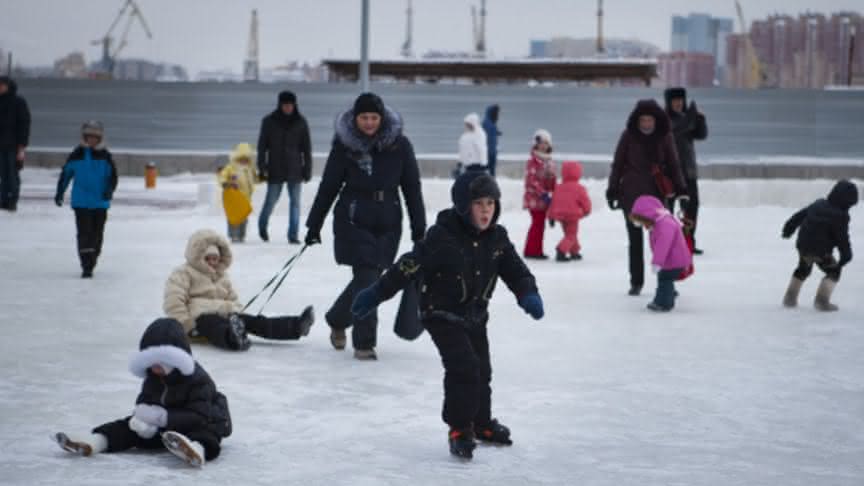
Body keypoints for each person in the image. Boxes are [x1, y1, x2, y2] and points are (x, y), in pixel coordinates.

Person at [350, 166, 543, 459]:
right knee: (463, 367)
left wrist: (527, 292)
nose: (485, 210)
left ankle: (480, 423)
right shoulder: (442, 236)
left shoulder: (497, 238)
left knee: (482, 369)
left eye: (490, 203)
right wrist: (376, 293)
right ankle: (459, 428)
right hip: (440, 313)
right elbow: (407, 266)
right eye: (478, 203)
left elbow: (515, 270)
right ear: (463, 206)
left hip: (475, 314)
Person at [304, 92, 426, 360]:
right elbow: (328, 187)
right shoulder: (345, 147)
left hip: (388, 222)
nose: (369, 123)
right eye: (364, 117)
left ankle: (337, 318)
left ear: (381, 119)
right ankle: (364, 344)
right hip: (353, 219)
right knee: (368, 277)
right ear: (355, 118)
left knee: (369, 279)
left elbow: (412, 188)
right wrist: (314, 224)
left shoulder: (400, 145)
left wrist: (420, 228)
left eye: (374, 117)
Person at [53, 318, 232, 468]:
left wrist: (162, 418)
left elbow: (198, 416)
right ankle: (97, 441)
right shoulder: (153, 377)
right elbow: (145, 402)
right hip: (169, 429)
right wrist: (143, 423)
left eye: (160, 362)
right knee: (128, 426)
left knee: (205, 432)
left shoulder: (198, 380)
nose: (154, 368)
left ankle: (195, 450)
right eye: (150, 363)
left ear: (175, 360)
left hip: (208, 419)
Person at [163, 229, 315, 351]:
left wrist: (237, 312)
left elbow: (232, 297)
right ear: (197, 256)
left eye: (215, 258)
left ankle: (296, 326)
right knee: (214, 325)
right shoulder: (184, 273)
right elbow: (174, 300)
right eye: (207, 258)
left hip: (226, 313)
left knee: (256, 322)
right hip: (199, 318)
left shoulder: (222, 276)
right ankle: (233, 337)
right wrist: (186, 325)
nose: (211, 262)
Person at [606, 99, 687, 296]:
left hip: (657, 197)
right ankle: (636, 281)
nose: (646, 124)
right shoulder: (628, 136)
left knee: (664, 240)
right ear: (637, 120)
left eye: (649, 120)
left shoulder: (664, 136)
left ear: (656, 120)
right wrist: (612, 190)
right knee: (635, 241)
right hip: (632, 197)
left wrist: (681, 188)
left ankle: (666, 282)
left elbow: (674, 164)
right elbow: (617, 164)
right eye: (643, 120)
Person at [781, 180, 858, 311]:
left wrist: (788, 229)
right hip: (821, 251)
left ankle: (790, 298)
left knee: (803, 269)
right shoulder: (841, 216)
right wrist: (846, 254)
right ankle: (822, 301)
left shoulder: (818, 203)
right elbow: (842, 238)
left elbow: (798, 216)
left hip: (803, 245)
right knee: (834, 271)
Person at [54, 121, 118, 278]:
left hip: (100, 203)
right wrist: (60, 192)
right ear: (84, 137)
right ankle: (86, 265)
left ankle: (93, 258)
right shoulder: (77, 154)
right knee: (84, 233)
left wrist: (108, 191)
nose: (92, 140)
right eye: (89, 137)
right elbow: (66, 174)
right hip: (81, 202)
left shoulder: (105, 156)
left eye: (95, 137)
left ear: (100, 138)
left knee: (97, 235)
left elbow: (113, 177)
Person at [257, 90, 313, 244]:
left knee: (295, 203)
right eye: (285, 105)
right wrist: (261, 168)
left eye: (291, 105)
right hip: (275, 168)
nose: (288, 108)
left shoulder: (301, 122)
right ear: (280, 105)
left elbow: (306, 148)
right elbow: (262, 147)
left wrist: (307, 169)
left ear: (295, 105)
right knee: (271, 201)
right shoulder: (269, 121)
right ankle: (262, 227)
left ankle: (293, 235)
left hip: (295, 169)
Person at [628, 195, 692, 312]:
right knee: (664, 278)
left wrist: (657, 262)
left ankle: (663, 303)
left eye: (642, 222)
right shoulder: (659, 221)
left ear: (647, 216)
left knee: (665, 279)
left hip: (675, 261)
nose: (643, 226)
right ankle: (669, 293)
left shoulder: (664, 225)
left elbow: (663, 246)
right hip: (671, 260)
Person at [664, 87, 708, 254]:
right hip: (669, 174)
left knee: (691, 208)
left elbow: (701, 135)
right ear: (669, 102)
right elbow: (676, 129)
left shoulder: (688, 119)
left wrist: (701, 120)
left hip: (688, 172)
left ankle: (687, 242)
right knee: (667, 211)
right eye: (675, 101)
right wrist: (691, 117)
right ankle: (667, 243)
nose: (678, 104)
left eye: (681, 101)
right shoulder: (664, 119)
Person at [523, 129, 557, 259]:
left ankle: (536, 249)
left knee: (540, 225)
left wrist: (554, 192)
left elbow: (552, 180)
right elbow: (532, 181)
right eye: (541, 143)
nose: (543, 146)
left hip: (545, 198)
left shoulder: (549, 161)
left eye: (546, 143)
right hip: (534, 198)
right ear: (536, 144)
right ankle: (532, 251)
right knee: (537, 224)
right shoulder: (533, 161)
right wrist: (543, 193)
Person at [547, 161, 591, 262]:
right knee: (571, 235)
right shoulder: (579, 188)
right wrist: (587, 210)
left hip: (560, 216)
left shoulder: (558, 187)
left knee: (569, 234)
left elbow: (553, 203)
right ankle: (561, 250)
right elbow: (585, 201)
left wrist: (551, 217)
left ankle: (574, 252)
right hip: (573, 216)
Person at [218, 143, 259, 243]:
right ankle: (233, 235)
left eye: (246, 158)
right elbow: (223, 175)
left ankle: (241, 234)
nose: (244, 160)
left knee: (243, 218)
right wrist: (225, 183)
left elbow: (255, 179)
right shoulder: (231, 168)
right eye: (242, 158)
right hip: (234, 197)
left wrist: (263, 177)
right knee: (234, 218)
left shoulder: (249, 169)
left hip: (245, 199)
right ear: (237, 157)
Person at [0, 76, 30, 212]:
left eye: (2, 85)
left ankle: (12, 200)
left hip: (13, 146)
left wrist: (22, 146)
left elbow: (24, 124)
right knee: (3, 174)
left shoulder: (18, 102)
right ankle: (3, 199)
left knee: (12, 174)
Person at [455, 112, 487, 177]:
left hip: (477, 165)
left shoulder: (479, 134)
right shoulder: (465, 136)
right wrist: (460, 162)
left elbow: (482, 149)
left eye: (468, 124)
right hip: (467, 165)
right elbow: (462, 150)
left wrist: (483, 163)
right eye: (466, 124)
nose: (466, 126)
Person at [481, 105, 501, 176]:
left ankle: (491, 184)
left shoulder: (491, 122)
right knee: (488, 171)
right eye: (497, 113)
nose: (498, 115)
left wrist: (497, 133)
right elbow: (485, 136)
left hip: (492, 151)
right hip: (487, 152)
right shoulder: (486, 123)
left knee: (491, 171)